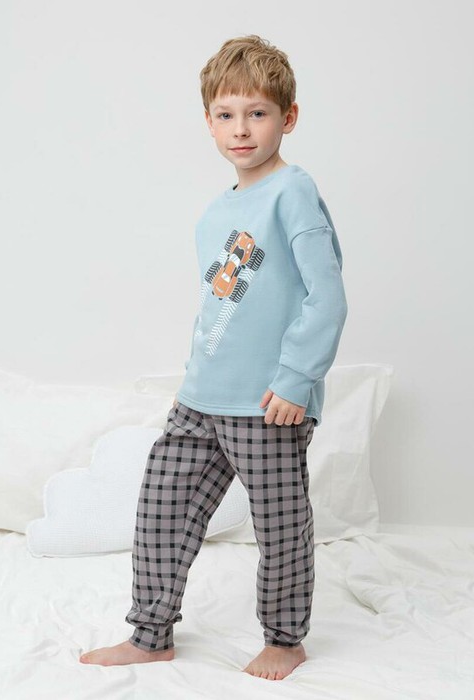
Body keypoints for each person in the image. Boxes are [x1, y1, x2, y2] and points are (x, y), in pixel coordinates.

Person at [79, 33, 348, 681]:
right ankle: (150, 635)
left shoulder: (293, 193)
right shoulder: (217, 211)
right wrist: (193, 378)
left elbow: (327, 296)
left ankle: (284, 639)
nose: (241, 129)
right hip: (201, 396)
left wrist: (296, 379)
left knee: (279, 526)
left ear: (288, 117)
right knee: (161, 511)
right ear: (208, 122)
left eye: (257, 113)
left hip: (267, 402)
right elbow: (221, 308)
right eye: (226, 115)